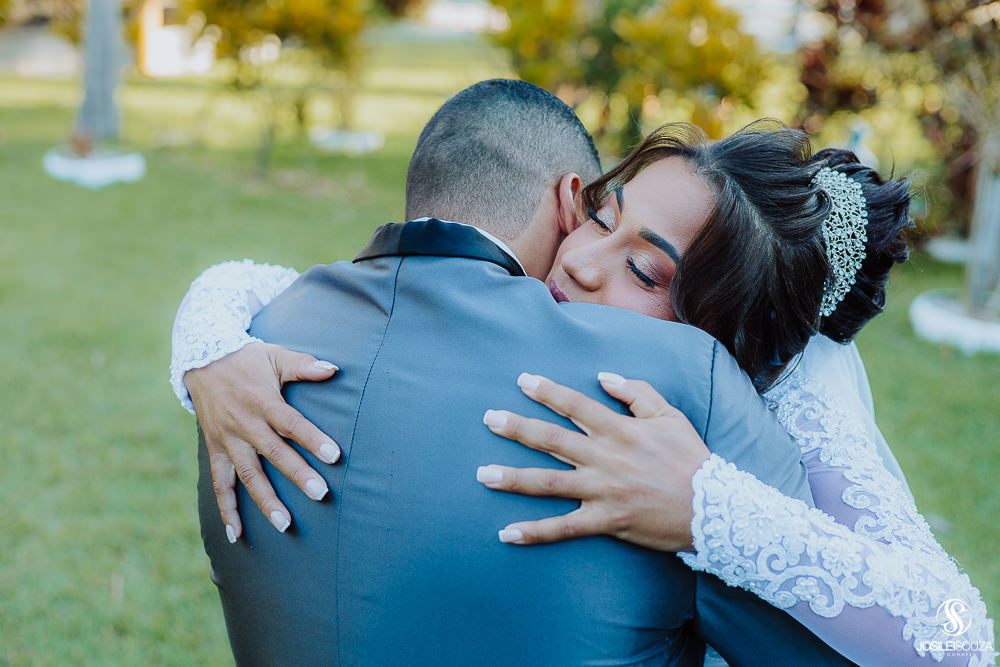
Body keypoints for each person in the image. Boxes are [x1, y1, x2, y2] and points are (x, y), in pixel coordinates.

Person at [177, 79, 855, 665]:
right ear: (570, 201)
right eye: (599, 217)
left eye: (647, 271)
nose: (585, 263)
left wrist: (710, 511)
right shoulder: (682, 385)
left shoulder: (260, 338)